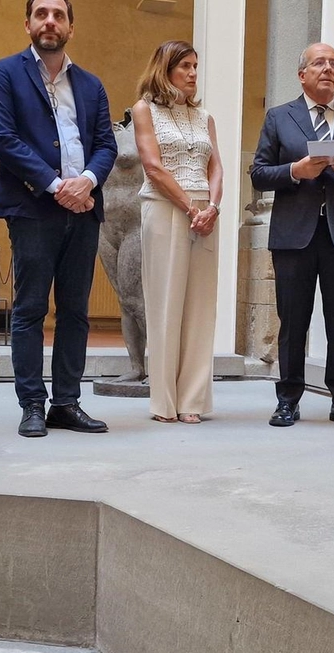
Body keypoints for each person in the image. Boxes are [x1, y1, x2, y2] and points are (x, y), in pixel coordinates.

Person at [0, 0, 117, 437]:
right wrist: (59, 185)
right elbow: (4, 140)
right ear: (28, 24)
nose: (49, 21)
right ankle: (32, 405)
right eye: (41, 14)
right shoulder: (5, 74)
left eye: (58, 15)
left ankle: (66, 402)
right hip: (33, 208)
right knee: (29, 309)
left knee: (76, 311)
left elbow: (105, 145)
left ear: (70, 27)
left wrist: (89, 182)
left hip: (84, 210)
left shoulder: (91, 84)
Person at [249, 43, 334, 429]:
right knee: (294, 320)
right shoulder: (279, 117)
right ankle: (288, 399)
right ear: (302, 74)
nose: (328, 69)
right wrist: (295, 170)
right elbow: (258, 173)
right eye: (319, 63)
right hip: (294, 236)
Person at [131, 41, 224, 424]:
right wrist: (190, 208)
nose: (192, 73)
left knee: (200, 308)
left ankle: (192, 401)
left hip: (205, 213)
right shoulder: (143, 111)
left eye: (196, 66)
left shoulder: (205, 117)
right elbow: (153, 167)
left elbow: (217, 167)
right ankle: (164, 402)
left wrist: (212, 208)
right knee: (165, 303)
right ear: (164, 69)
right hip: (166, 207)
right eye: (184, 65)